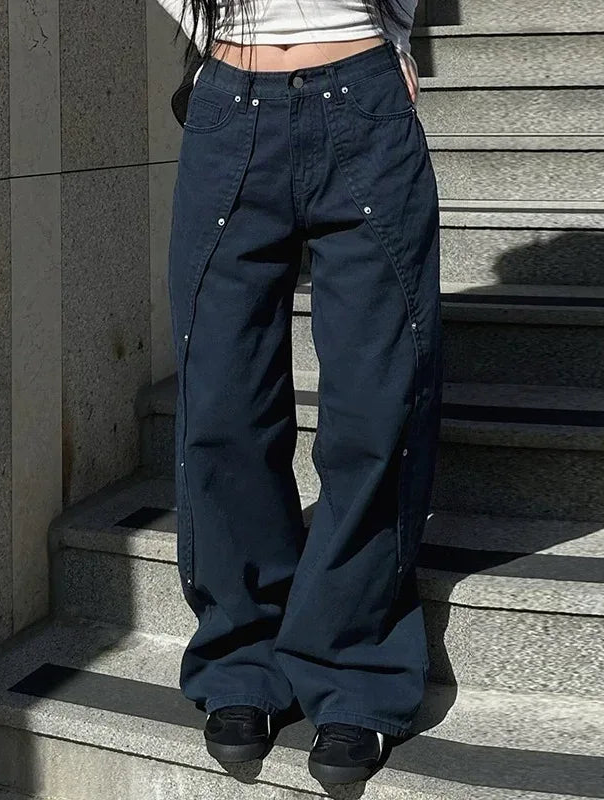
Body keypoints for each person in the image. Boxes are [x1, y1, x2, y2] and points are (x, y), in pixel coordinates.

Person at [158, 0, 442, 785]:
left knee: (375, 406)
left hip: (365, 100)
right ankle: (241, 658)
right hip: (230, 102)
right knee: (222, 405)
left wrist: (393, 38)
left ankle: (356, 666)